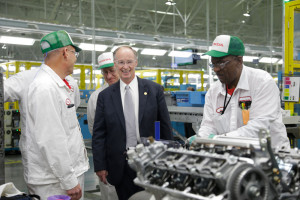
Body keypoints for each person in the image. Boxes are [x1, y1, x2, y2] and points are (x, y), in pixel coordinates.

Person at [92, 46, 174, 200]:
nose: (125, 67)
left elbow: (164, 127)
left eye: (129, 61)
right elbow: (99, 133)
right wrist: (100, 165)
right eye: (121, 62)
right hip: (120, 165)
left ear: (136, 62)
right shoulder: (105, 96)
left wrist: (168, 159)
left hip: (150, 162)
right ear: (115, 64)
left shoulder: (154, 90)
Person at [25, 30, 89, 200]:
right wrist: (68, 180)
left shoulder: (59, 84)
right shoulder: (44, 88)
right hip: (54, 183)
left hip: (63, 175)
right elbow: (50, 139)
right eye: (74, 53)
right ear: (65, 53)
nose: (75, 58)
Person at [196, 34, 290, 149]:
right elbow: (208, 125)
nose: (216, 69)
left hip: (271, 156)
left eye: (221, 63)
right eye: (213, 64)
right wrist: (201, 140)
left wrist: (218, 140)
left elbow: (259, 128)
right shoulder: (213, 91)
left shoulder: (262, 82)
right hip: (233, 155)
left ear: (239, 60)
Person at [87, 52, 119, 200]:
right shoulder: (96, 97)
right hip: (110, 159)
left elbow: (156, 124)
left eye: (112, 71)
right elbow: (96, 133)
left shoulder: (139, 91)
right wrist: (100, 164)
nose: (109, 76)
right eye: (105, 72)